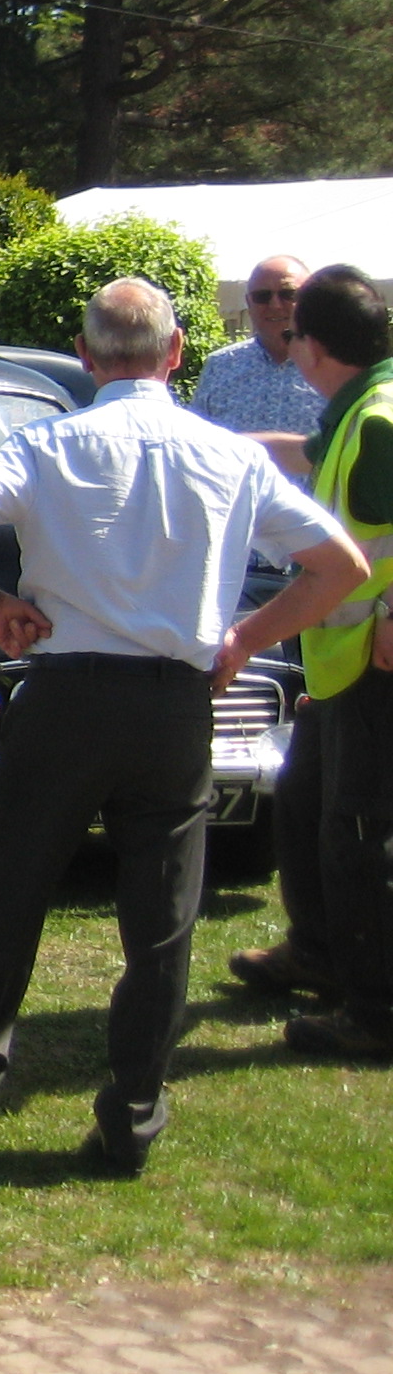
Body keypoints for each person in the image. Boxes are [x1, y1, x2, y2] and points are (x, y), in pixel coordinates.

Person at [0, 277, 365, 1173]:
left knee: (14, 888)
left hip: (68, 693)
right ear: (176, 352)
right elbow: (340, 566)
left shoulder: (48, 442)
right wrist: (243, 639)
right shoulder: (228, 454)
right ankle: (131, 1112)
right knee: (160, 919)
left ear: (85, 357)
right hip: (172, 703)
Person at [225, 265, 393, 1059]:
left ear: (314, 346)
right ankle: (318, 952)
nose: (287, 348)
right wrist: (221, 449)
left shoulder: (380, 421)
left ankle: (377, 1011)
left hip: (374, 665)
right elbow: (302, 453)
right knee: (301, 803)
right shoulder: (358, 410)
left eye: (294, 335)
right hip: (341, 662)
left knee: (358, 832)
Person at [194, 254, 325, 436]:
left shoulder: (333, 366)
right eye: (262, 296)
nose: (275, 305)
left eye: (288, 294)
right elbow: (197, 439)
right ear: (249, 303)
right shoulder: (219, 367)